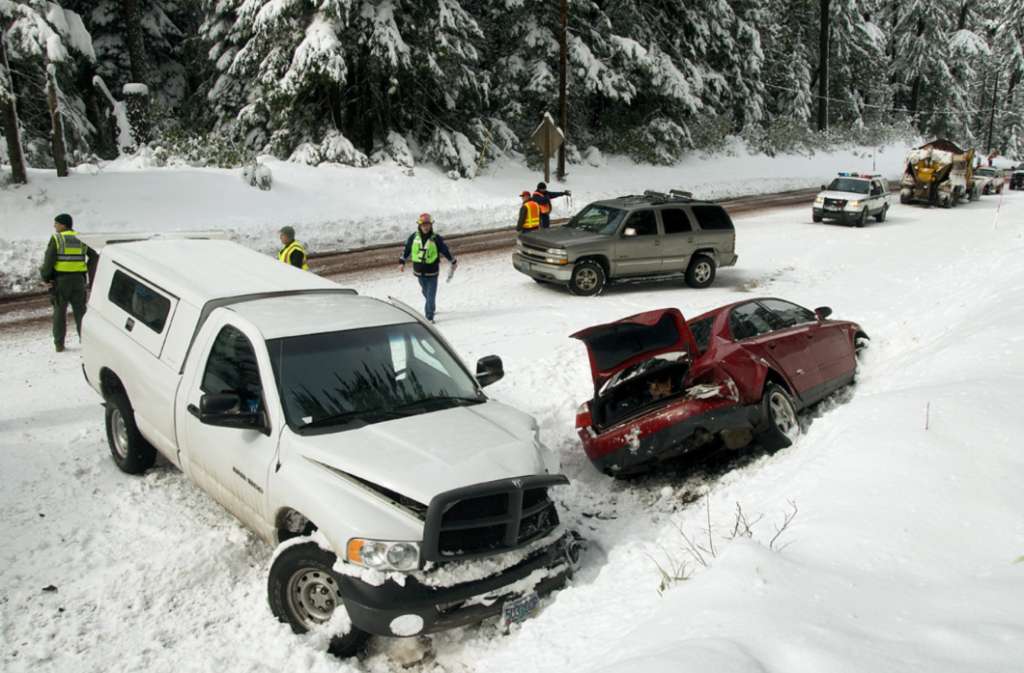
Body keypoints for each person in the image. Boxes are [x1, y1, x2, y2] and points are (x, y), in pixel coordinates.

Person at [39, 213, 97, 352]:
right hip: (78, 281)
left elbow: (49, 260)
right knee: (80, 311)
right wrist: (88, 270)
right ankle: (85, 341)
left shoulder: (57, 238)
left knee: (59, 312)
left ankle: (59, 344)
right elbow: (94, 256)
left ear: (63, 225)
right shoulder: (80, 238)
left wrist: (46, 278)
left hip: (62, 280)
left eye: (56, 223)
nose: (54, 226)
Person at [398, 214, 457, 323]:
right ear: (420, 225)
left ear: (431, 225)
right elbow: (406, 249)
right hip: (419, 271)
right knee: (425, 291)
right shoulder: (414, 237)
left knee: (430, 293)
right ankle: (431, 305)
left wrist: (453, 261)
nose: (425, 227)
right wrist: (402, 262)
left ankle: (429, 315)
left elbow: (445, 250)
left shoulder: (436, 238)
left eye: (427, 225)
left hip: (432, 271)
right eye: (423, 225)